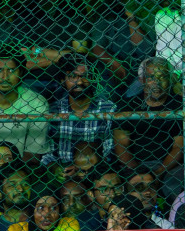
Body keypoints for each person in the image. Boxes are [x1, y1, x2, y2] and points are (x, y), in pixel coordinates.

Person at [114, 58, 183, 191]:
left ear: (170, 79)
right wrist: (138, 173)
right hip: (135, 165)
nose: (156, 82)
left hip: (169, 166)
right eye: (151, 77)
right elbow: (121, 145)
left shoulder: (178, 106)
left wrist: (157, 173)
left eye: (162, 77)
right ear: (142, 80)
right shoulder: (128, 105)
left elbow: (178, 147)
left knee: (173, 184)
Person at [47, 54, 114, 164]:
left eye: (85, 76)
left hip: (97, 170)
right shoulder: (54, 110)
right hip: (63, 170)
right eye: (73, 76)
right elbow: (49, 153)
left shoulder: (108, 109)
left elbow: (110, 151)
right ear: (62, 80)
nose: (79, 82)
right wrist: (55, 168)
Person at [5, 193, 81, 231]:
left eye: (53, 208)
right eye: (41, 208)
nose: (47, 214)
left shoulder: (68, 224)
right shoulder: (16, 230)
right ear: (32, 210)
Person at [0, 166, 35, 231]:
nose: (20, 189)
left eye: (25, 184)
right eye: (12, 185)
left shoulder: (43, 223)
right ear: (0, 195)